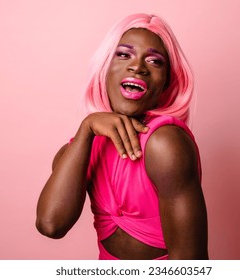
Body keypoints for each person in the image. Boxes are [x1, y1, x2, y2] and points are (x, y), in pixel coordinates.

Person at [36, 13, 208, 260]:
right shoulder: (81, 148)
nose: (137, 66)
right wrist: (86, 129)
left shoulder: (165, 144)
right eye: (124, 54)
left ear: (166, 81)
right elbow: (50, 224)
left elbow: (191, 264)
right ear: (105, 67)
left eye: (154, 61)